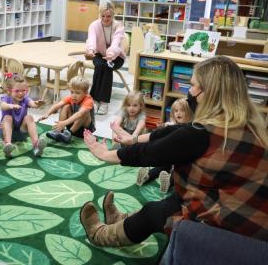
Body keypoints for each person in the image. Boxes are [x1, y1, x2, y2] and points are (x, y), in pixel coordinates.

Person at [80, 56, 268, 247]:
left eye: (193, 85)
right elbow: (175, 132)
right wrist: (132, 139)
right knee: (173, 200)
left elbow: (152, 152)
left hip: (236, 225)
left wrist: (105, 154)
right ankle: (121, 220)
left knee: (153, 213)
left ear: (208, 93)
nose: (190, 91)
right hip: (250, 213)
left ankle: (100, 235)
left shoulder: (200, 135)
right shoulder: (246, 123)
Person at [137, 98, 193, 193]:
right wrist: (161, 127)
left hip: (181, 159)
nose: (178, 113)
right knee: (161, 167)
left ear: (189, 113)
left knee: (176, 173)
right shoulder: (171, 125)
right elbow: (164, 129)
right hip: (169, 155)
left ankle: (167, 183)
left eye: (182, 110)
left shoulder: (190, 127)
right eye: (176, 111)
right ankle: (146, 177)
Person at [86, 2, 126, 115]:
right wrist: (91, 49)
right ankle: (94, 99)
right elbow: (92, 39)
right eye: (103, 16)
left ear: (113, 15)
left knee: (107, 66)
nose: (105, 19)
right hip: (99, 53)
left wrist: (111, 54)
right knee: (100, 65)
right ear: (100, 15)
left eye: (108, 16)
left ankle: (103, 102)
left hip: (117, 55)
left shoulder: (118, 26)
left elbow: (116, 42)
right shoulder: (94, 25)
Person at [0, 74, 46, 158]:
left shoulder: (25, 99)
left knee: (29, 117)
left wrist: (37, 104)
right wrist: (11, 106)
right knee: (7, 117)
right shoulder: (7, 98)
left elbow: (32, 104)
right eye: (17, 91)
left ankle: (36, 145)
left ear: (26, 90)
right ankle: (8, 145)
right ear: (9, 91)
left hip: (21, 133)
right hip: (7, 133)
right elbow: (3, 105)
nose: (21, 93)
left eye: (23, 90)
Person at [39, 76, 95, 144]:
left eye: (77, 93)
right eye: (72, 92)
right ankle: (59, 131)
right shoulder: (71, 98)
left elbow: (79, 114)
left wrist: (64, 123)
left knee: (84, 112)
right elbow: (57, 105)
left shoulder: (88, 100)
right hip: (71, 124)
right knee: (66, 106)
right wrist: (47, 114)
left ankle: (68, 134)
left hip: (84, 130)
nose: (74, 95)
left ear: (86, 93)